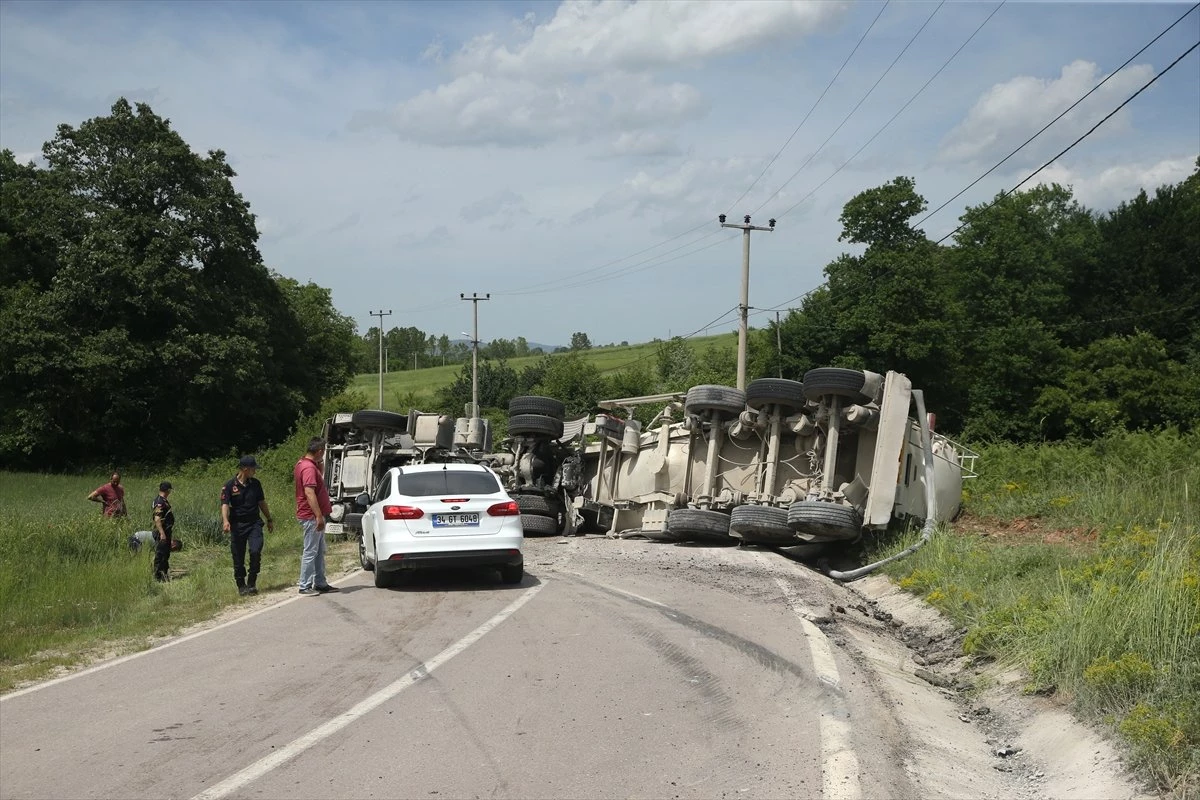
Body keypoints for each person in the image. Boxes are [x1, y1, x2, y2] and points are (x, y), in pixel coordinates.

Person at [221, 455, 275, 596]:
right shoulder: (229, 486)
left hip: (254, 523)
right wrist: (225, 521)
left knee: (255, 551)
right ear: (245, 469)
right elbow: (225, 504)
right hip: (237, 524)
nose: (255, 471)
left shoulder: (256, 484)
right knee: (238, 556)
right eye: (253, 469)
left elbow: (262, 503)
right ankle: (241, 585)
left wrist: (269, 519)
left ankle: (252, 582)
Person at [294, 437, 338, 595]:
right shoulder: (308, 468)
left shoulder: (306, 464)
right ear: (319, 451)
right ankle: (304, 585)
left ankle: (320, 582)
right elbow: (309, 492)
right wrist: (318, 516)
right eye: (323, 452)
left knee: (319, 551)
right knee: (311, 551)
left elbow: (319, 476)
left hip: (313, 515)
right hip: (311, 516)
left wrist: (319, 464)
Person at [151, 481, 174, 582]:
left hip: (166, 531)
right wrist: (162, 533)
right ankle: (158, 577)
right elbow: (157, 518)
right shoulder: (159, 501)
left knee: (165, 554)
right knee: (160, 555)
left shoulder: (163, 500)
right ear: (168, 490)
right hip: (162, 532)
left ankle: (164, 575)